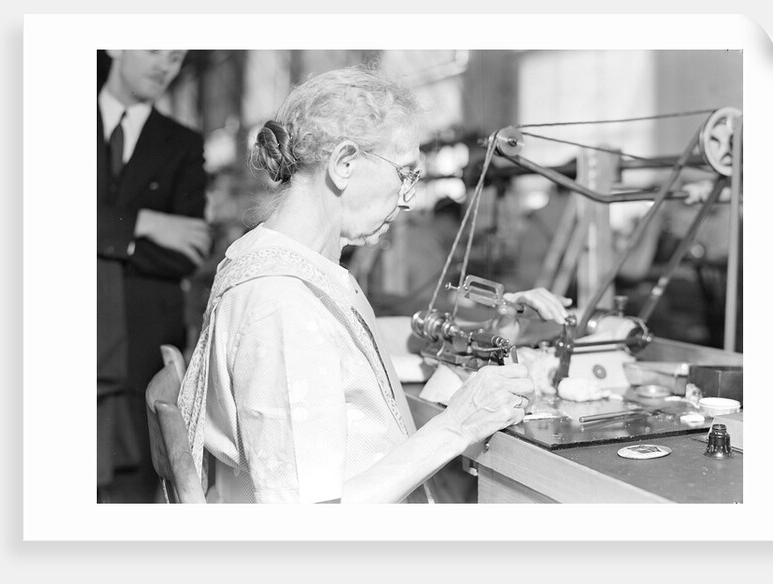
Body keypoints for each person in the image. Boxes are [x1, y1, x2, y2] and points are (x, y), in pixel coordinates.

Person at [177, 65, 569, 503]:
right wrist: (457, 425)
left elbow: (357, 362)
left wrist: (496, 329)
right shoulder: (283, 305)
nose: (408, 198)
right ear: (344, 164)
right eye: (405, 173)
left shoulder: (278, 262)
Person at [97, 50, 211, 503]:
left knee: (136, 488)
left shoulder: (182, 142)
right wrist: (144, 223)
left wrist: (100, 234)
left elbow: (187, 254)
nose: (166, 64)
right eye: (154, 49)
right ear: (114, 45)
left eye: (177, 56)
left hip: (141, 338)